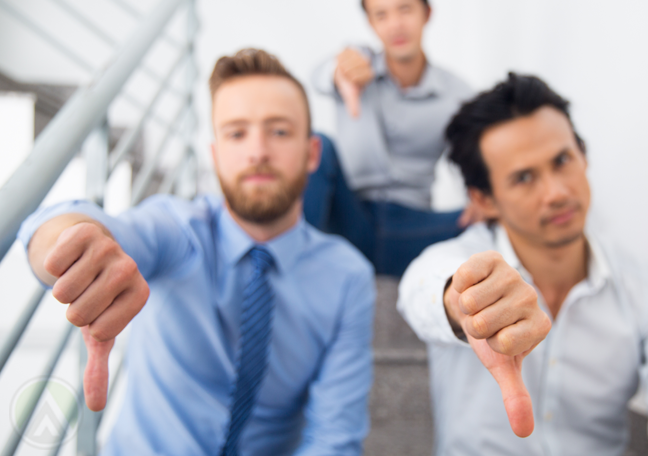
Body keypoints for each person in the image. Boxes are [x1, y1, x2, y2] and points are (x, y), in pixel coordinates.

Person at [19, 49, 376, 456]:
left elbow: (333, 439)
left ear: (312, 153)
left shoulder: (348, 277)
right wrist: (73, 243)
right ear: (215, 154)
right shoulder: (177, 230)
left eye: (278, 132)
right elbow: (71, 226)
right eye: (236, 133)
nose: (257, 151)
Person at [398, 73, 648, 455]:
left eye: (562, 160)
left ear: (583, 155)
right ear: (483, 200)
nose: (557, 193)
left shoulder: (637, 283)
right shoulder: (452, 259)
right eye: (524, 178)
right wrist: (464, 305)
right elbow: (422, 289)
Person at [307, 0, 476, 276]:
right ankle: (293, 265)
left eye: (405, 9)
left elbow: (479, 157)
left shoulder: (457, 94)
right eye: (382, 15)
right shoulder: (355, 67)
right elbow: (317, 75)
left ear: (427, 13)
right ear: (371, 24)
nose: (395, 24)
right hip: (351, 216)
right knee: (319, 144)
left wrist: (482, 198)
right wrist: (339, 73)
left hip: (411, 225)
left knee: (495, 218)